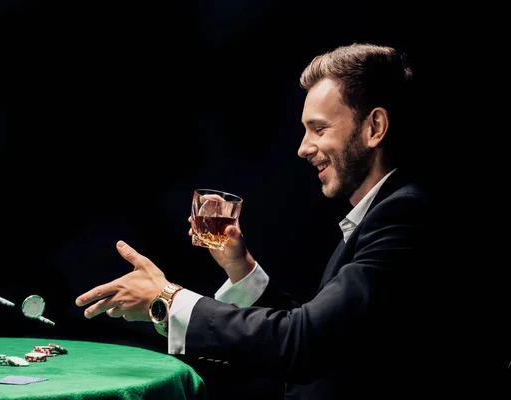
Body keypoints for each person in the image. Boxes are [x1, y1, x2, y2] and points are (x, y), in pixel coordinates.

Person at [75, 43, 448, 399]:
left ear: (375, 127)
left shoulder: (407, 215)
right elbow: (322, 333)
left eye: (319, 129)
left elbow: (302, 343)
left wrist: (167, 300)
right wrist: (242, 268)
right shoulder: (389, 209)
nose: (303, 147)